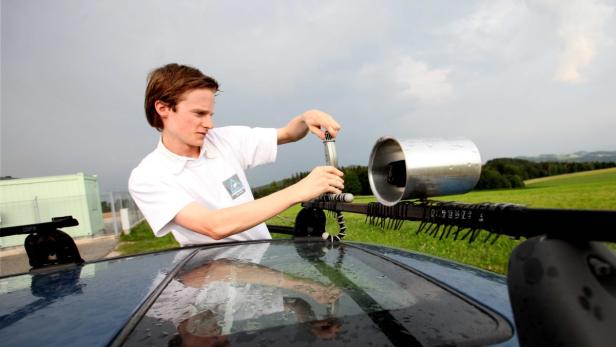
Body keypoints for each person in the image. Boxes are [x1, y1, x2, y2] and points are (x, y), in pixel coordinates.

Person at [129, 63, 344, 246]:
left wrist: (306, 117)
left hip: (264, 269)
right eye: (199, 114)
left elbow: (289, 134)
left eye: (211, 114)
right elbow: (214, 226)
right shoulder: (148, 177)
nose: (209, 124)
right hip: (213, 282)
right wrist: (299, 190)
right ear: (163, 108)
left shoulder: (224, 140)